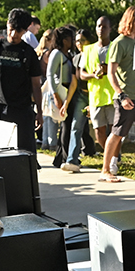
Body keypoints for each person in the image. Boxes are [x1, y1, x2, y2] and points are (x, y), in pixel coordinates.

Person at [0, 8, 42, 153]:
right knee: (3, 154)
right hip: (2, 110)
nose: (13, 34)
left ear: (25, 31)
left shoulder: (29, 53)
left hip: (23, 111)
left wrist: (40, 111)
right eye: (11, 29)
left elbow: (36, 85)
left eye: (18, 31)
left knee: (26, 155)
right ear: (7, 24)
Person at [100, 6, 135, 184]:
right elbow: (110, 73)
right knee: (117, 133)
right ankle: (105, 170)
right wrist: (121, 95)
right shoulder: (119, 43)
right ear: (132, 21)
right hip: (126, 98)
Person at [44, 25, 88, 171]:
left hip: (71, 90)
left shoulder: (68, 54)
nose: (73, 42)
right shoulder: (56, 53)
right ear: (64, 40)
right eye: (70, 39)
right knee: (66, 126)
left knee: (67, 125)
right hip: (61, 91)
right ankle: (64, 156)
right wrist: (55, 96)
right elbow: (50, 75)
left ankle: (62, 157)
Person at [80, 17, 116, 155]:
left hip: (113, 95)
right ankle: (111, 154)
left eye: (105, 26)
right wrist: (93, 75)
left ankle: (114, 157)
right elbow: (82, 74)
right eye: (99, 26)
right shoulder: (88, 50)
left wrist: (109, 70)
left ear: (110, 29)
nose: (101, 29)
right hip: (95, 96)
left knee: (115, 130)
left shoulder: (115, 47)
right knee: (99, 132)